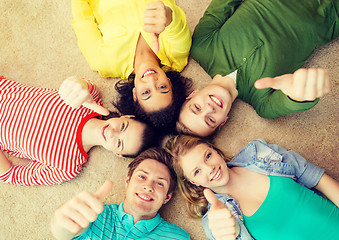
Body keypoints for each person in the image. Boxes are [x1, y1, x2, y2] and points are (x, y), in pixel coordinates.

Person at [178, 0, 338, 137]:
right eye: (210, 120)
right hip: (331, 15)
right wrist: (298, 93)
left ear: (193, 94)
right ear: (223, 122)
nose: (209, 109)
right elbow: (291, 101)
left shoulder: (201, 46)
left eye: (197, 108)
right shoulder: (263, 105)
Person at [165, 135, 339, 239]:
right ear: (193, 182)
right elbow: (221, 231)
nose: (209, 168)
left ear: (215, 150)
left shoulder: (259, 153)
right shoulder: (214, 219)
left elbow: (319, 179)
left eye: (208, 156)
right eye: (197, 172)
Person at [0, 76, 159, 185]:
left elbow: (10, 175)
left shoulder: (67, 167)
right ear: (126, 116)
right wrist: (77, 86)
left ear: (118, 154)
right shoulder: (91, 98)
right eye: (123, 127)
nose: (111, 132)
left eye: (119, 143)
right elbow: (75, 84)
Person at [72, 0, 192, 129]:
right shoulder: (176, 56)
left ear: (135, 94)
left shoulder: (104, 62)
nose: (151, 80)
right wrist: (167, 15)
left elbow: (82, 21)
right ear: (169, 82)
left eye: (146, 92)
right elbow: (176, 24)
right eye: (162, 87)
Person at [50, 147, 190, 240]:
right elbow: (63, 233)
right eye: (142, 177)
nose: (148, 187)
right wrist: (60, 222)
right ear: (127, 182)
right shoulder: (93, 215)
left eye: (160, 183)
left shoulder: (177, 237)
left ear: (167, 197)